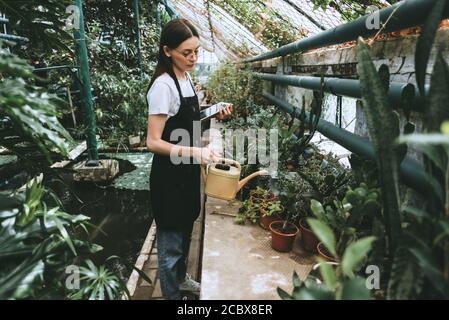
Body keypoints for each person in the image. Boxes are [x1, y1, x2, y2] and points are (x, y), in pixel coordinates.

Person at [146, 18, 232, 300]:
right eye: (187, 53)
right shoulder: (163, 86)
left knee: (185, 230)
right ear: (167, 51)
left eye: (196, 51)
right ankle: (172, 294)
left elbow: (185, 125)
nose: (193, 58)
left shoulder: (184, 78)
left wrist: (211, 113)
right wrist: (198, 152)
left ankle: (182, 280)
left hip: (186, 172)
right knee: (169, 248)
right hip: (169, 178)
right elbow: (154, 141)